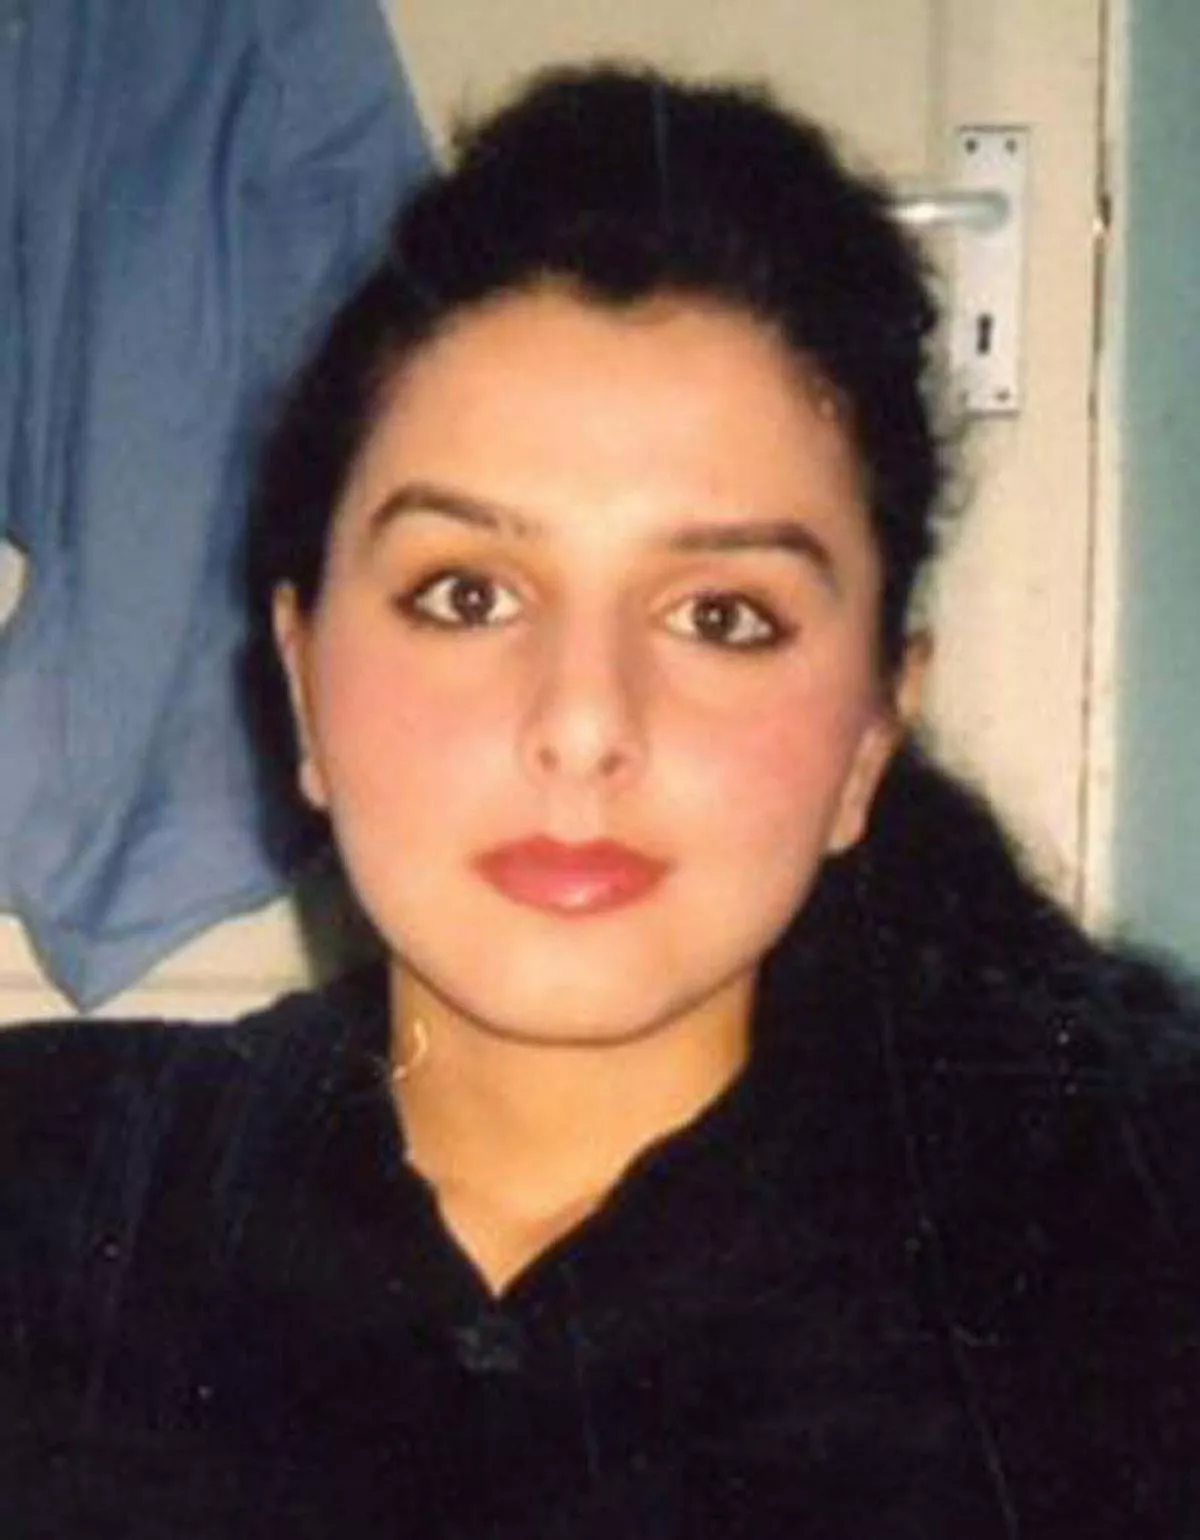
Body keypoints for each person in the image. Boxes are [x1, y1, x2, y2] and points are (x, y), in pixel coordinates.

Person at [2, 63, 1199, 1538]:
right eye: (467, 592)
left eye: (723, 617)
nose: (581, 723)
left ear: (875, 734)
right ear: (303, 682)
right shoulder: (49, 1203)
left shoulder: (1132, 1271)